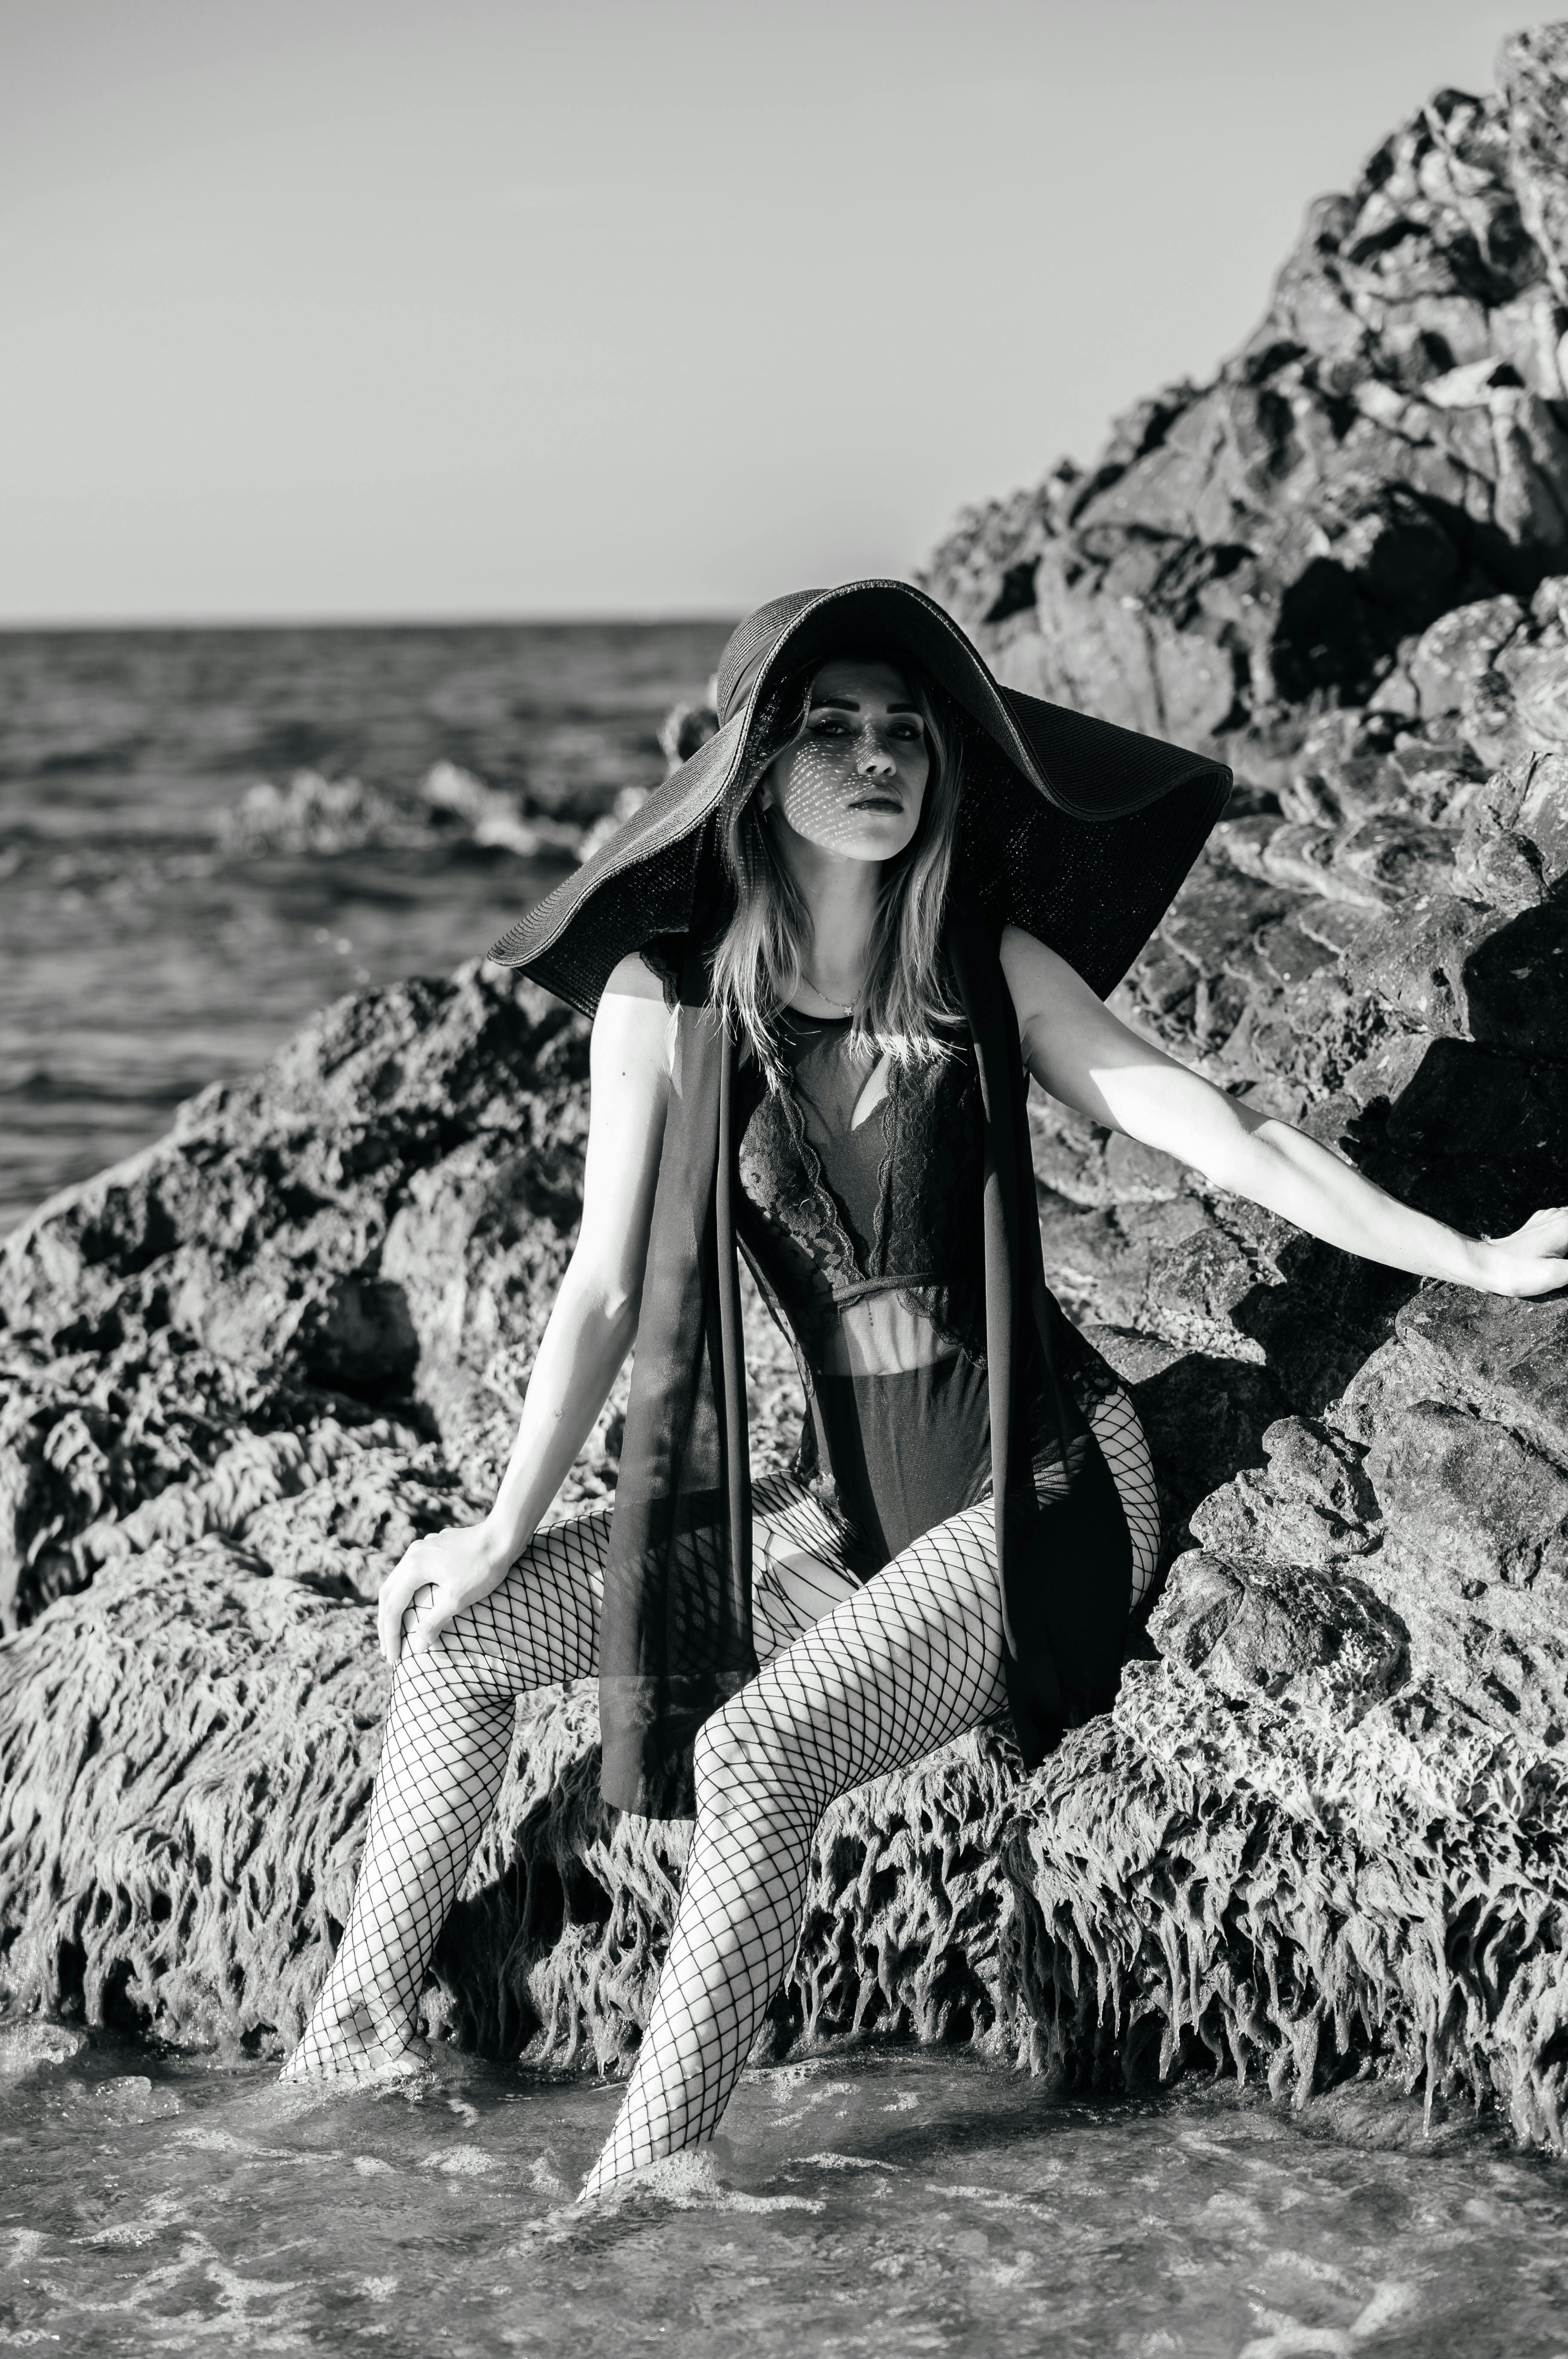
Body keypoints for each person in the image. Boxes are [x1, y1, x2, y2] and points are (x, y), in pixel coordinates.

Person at [281, 582, 1568, 2191]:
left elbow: (1216, 1133)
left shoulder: (984, 964)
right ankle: (347, 2045)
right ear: (759, 766)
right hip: (829, 1516)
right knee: (461, 1639)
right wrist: (496, 1527)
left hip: (1030, 1496)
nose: (878, 755)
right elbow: (603, 1284)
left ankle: (636, 2191)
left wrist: (1476, 1257)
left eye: (906, 730)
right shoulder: (670, 997)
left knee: (757, 1756)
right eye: (833, 729)